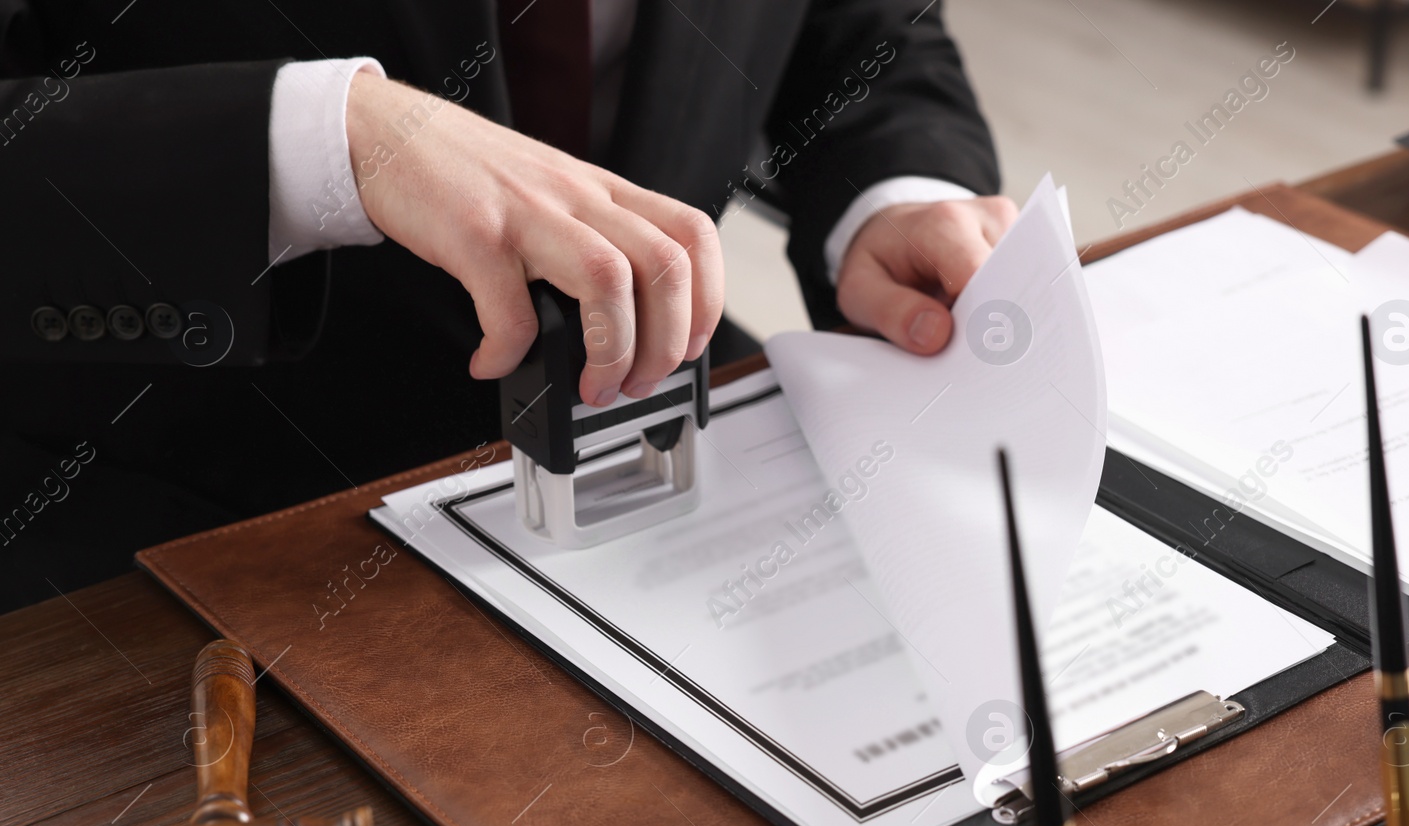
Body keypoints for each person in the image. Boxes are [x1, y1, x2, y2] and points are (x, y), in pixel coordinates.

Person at [0, 0, 1013, 611]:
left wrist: (898, 194)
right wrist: (331, 139)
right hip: (181, 502)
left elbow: (866, 31)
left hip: (678, 441)